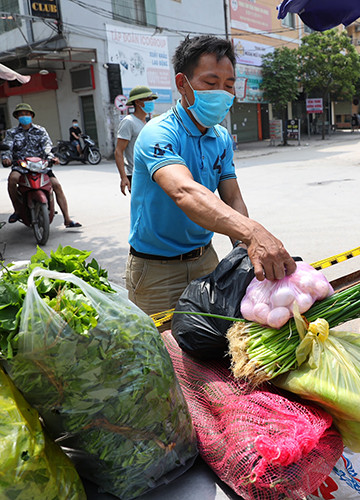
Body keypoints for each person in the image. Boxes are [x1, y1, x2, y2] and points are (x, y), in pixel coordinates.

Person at [127, 35, 296, 317]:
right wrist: (252, 232)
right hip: (155, 270)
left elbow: (232, 196)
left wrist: (242, 249)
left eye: (228, 85)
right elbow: (184, 191)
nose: (221, 93)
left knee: (212, 338)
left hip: (206, 259)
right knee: (158, 342)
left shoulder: (221, 138)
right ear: (182, 83)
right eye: (210, 82)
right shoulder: (158, 133)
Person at [1, 103, 81, 228]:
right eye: (21, 114)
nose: (24, 116)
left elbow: (47, 146)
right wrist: (6, 158)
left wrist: (52, 157)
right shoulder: (11, 133)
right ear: (17, 117)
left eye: (27, 114)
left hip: (41, 166)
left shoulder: (40, 130)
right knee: (12, 180)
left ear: (32, 116)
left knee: (56, 185)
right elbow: (7, 148)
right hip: (21, 166)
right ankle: (17, 210)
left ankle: (67, 219)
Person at [114, 86, 156, 195]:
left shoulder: (147, 123)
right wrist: (123, 177)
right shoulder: (129, 122)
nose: (151, 102)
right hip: (135, 174)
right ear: (138, 102)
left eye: (151, 99)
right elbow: (119, 151)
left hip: (149, 173)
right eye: (148, 99)